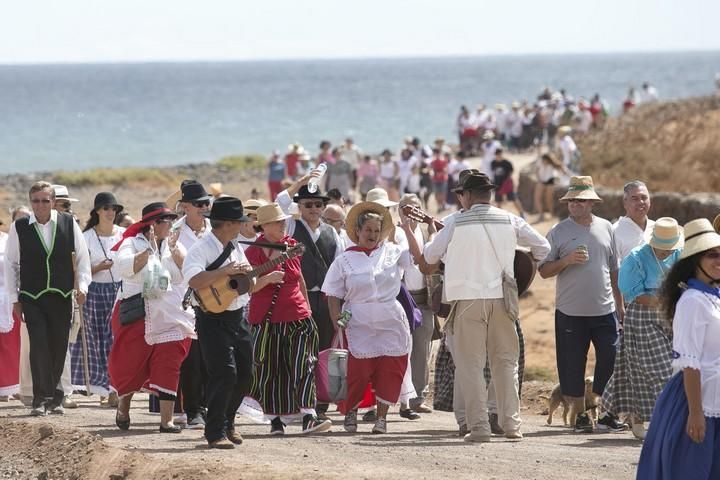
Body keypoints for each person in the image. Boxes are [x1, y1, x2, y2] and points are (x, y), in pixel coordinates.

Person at [416, 172, 550, 442]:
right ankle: (512, 425)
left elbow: (429, 257)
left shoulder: (454, 222)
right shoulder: (510, 218)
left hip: (467, 300)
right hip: (503, 298)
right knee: (506, 362)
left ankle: (479, 428)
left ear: (465, 195)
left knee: (470, 365)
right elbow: (543, 247)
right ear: (489, 194)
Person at [538, 176, 627, 434]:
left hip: (605, 309)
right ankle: (579, 417)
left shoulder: (606, 228)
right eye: (571, 200)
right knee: (571, 364)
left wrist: (619, 305)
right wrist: (565, 260)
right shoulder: (557, 233)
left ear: (591, 203)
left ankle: (595, 404)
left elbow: (614, 269)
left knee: (610, 359)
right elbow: (543, 271)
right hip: (570, 312)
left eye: (581, 200)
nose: (575, 204)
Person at [636, 218, 720, 479]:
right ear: (695, 260)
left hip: (714, 397)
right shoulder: (693, 302)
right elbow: (690, 363)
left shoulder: (713, 297)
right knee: (690, 469)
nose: (718, 260)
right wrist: (695, 414)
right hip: (693, 399)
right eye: (711, 255)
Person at [323, 201, 414, 434]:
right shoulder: (344, 260)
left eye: (376, 230)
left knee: (390, 369)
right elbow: (332, 293)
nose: (372, 235)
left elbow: (420, 261)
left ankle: (382, 418)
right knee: (358, 372)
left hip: (390, 320)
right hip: (358, 321)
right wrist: (336, 319)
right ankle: (351, 411)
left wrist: (408, 228)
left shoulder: (393, 252)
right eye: (367, 230)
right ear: (358, 232)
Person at [241, 204, 332, 435]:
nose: (283, 225)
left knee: (304, 363)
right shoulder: (252, 252)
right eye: (278, 222)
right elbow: (246, 288)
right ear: (264, 226)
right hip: (266, 320)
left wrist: (308, 310)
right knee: (271, 369)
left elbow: (299, 278)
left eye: (283, 221)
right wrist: (267, 278)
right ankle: (275, 420)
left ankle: (309, 415)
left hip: (298, 316)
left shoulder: (291, 246)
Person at [4, 181, 91, 415]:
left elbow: (83, 259)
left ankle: (56, 396)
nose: (40, 205)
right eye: (35, 201)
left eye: (45, 200)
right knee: (39, 345)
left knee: (59, 346)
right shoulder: (20, 226)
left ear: (53, 201)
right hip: (32, 296)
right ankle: (41, 398)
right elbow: (10, 264)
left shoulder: (68, 223)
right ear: (30, 202)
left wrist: (82, 286)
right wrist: (15, 298)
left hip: (61, 295)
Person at [109, 201, 194, 434]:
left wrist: (175, 252)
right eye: (167, 221)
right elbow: (124, 268)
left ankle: (166, 420)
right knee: (131, 364)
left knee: (170, 361)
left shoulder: (171, 245)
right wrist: (148, 252)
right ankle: (123, 408)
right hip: (138, 313)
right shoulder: (132, 242)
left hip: (168, 313)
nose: (171, 225)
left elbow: (180, 277)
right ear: (153, 224)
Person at [183, 197, 255, 449]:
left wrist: (249, 276)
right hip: (212, 318)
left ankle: (228, 420)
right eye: (239, 222)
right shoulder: (201, 249)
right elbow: (194, 280)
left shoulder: (236, 246)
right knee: (223, 373)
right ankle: (215, 432)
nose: (242, 227)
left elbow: (246, 283)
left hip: (237, 315)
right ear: (227, 224)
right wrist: (225, 271)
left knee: (246, 372)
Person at [602, 218, 682, 440]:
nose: (666, 253)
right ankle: (662, 421)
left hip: (672, 315)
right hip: (643, 316)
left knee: (666, 368)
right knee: (660, 369)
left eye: (669, 249)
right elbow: (634, 294)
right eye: (662, 248)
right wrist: (669, 300)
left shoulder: (679, 256)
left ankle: (638, 416)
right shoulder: (636, 258)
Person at [276, 176, 342, 419]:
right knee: (300, 350)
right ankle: (299, 400)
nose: (313, 209)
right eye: (308, 204)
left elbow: (339, 268)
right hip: (298, 298)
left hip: (325, 300)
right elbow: (279, 203)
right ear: (299, 207)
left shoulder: (333, 234)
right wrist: (303, 179)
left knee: (324, 349)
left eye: (317, 204)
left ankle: (320, 401)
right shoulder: (292, 228)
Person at [70, 192, 124, 406]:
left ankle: (114, 389)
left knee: (116, 340)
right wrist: (98, 267)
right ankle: (103, 387)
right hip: (94, 292)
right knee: (96, 342)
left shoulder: (124, 234)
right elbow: (78, 270)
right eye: (106, 208)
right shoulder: (87, 237)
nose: (111, 212)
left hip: (119, 291)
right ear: (97, 212)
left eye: (114, 209)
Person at [174, 180, 213, 429]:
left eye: (205, 203)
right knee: (191, 359)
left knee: (213, 356)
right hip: (185, 302)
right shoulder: (174, 233)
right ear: (185, 206)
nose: (203, 208)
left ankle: (210, 406)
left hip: (216, 299)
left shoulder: (216, 229)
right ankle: (193, 409)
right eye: (198, 204)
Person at [398, 194, 438, 414]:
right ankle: (396, 398)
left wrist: (431, 227)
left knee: (422, 350)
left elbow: (431, 255)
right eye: (407, 208)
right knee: (399, 349)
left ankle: (418, 397)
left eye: (416, 208)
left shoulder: (425, 233)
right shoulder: (395, 233)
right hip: (401, 299)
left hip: (424, 299)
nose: (411, 211)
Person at [612, 181, 654, 261]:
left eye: (644, 198)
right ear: (625, 202)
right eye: (635, 199)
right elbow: (614, 269)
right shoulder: (615, 232)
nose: (641, 202)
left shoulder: (658, 228)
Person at [491, 149, 525, 218]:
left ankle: (522, 213)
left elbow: (511, 172)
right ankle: (500, 216)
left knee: (514, 199)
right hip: (497, 184)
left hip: (507, 184)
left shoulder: (506, 162)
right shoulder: (493, 163)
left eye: (499, 154)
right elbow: (493, 173)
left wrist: (508, 182)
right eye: (497, 155)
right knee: (498, 201)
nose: (498, 156)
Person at [533, 153, 565, 222]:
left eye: (545, 160)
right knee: (537, 198)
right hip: (541, 181)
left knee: (549, 199)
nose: (544, 162)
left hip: (550, 181)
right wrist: (539, 180)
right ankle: (541, 215)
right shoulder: (540, 161)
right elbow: (536, 171)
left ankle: (551, 214)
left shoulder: (552, 163)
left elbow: (562, 168)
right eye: (543, 160)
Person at [430, 149, 448, 213]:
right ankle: (439, 206)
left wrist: (440, 173)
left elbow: (445, 169)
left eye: (437, 153)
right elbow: (431, 169)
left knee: (442, 193)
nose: (436, 155)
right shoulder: (432, 162)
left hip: (442, 179)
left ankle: (442, 204)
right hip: (435, 179)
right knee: (437, 194)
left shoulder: (443, 161)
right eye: (435, 153)